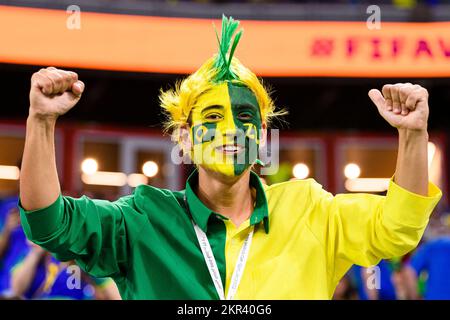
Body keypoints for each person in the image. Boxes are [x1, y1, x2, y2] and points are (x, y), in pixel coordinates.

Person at [18, 16, 441, 299]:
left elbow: (398, 228)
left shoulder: (310, 210)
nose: (231, 131)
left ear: (261, 136)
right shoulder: (142, 220)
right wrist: (40, 121)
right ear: (184, 138)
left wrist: (412, 135)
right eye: (214, 116)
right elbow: (49, 223)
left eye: (244, 117)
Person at [11, 242, 121, 300]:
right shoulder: (28, 256)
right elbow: (17, 290)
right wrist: (35, 253)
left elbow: (113, 293)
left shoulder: (82, 256)